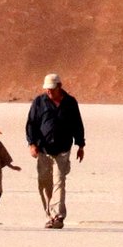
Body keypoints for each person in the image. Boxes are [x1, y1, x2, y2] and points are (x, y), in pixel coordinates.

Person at [24, 72, 86, 228]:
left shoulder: (70, 103)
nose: (49, 91)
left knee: (59, 181)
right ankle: (50, 215)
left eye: (52, 88)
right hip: (43, 149)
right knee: (44, 182)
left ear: (59, 86)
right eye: (47, 88)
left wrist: (80, 145)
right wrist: (32, 144)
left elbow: (77, 124)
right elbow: (31, 124)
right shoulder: (39, 102)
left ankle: (58, 216)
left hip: (63, 149)